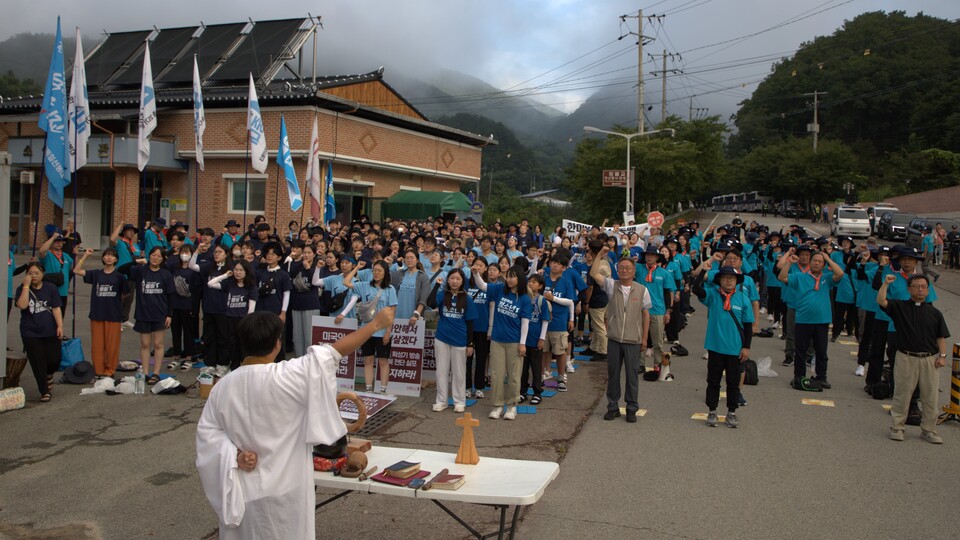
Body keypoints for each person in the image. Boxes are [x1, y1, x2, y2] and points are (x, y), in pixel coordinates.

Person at [196, 307, 396, 539]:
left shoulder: (222, 387)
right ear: (277, 344)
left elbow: (208, 436)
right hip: (287, 491)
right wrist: (375, 325)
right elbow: (334, 352)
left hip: (243, 492)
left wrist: (233, 456)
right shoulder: (289, 374)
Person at [877, 274, 949, 444]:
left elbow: (941, 337)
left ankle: (929, 430)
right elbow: (881, 301)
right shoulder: (900, 307)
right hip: (906, 357)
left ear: (928, 289)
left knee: (930, 396)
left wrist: (943, 356)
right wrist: (885, 284)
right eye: (916, 286)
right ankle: (897, 427)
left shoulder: (935, 313)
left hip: (929, 360)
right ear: (909, 289)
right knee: (902, 393)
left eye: (923, 286)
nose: (920, 289)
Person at [591, 248, 651, 423]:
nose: (625, 270)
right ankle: (613, 407)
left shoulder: (642, 290)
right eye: (622, 267)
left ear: (634, 271)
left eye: (628, 268)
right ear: (617, 269)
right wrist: (599, 254)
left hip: (633, 339)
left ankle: (632, 407)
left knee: (632, 376)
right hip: (615, 338)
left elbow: (646, 314)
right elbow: (594, 273)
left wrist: (645, 338)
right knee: (613, 374)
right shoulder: (611, 285)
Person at [692, 261, 754, 428]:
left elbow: (748, 325)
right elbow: (696, 290)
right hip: (715, 346)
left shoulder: (743, 298)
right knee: (713, 380)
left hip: (735, 349)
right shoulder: (713, 295)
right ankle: (712, 410)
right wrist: (703, 271)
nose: (728, 281)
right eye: (725, 278)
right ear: (719, 280)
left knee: (733, 382)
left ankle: (731, 412)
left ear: (736, 281)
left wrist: (746, 347)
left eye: (732, 278)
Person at [779, 248, 844, 390]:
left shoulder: (826, 278)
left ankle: (821, 376)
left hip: (822, 320)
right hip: (803, 319)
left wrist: (828, 259)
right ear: (810, 262)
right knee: (800, 350)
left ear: (823, 265)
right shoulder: (800, 276)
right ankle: (799, 376)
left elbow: (840, 273)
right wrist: (789, 264)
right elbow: (782, 277)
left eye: (820, 262)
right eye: (814, 260)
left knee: (821, 351)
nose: (817, 263)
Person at [473, 265, 532, 420]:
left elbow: (525, 323)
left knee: (513, 376)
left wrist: (522, 343)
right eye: (508, 276)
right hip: (497, 341)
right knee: (497, 375)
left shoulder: (525, 298)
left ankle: (512, 406)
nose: (510, 279)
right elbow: (482, 285)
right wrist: (475, 273)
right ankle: (497, 405)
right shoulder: (499, 289)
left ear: (520, 279)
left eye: (513, 276)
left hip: (514, 342)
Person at [341, 261, 398, 394]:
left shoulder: (390, 289)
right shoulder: (365, 285)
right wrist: (356, 268)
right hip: (367, 330)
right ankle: (368, 388)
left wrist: (388, 332)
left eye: (379, 271)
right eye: (374, 270)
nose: (376, 273)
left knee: (383, 360)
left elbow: (392, 312)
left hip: (383, 330)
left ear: (385, 273)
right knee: (368, 359)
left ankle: (383, 389)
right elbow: (346, 282)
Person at [121, 247, 175, 385]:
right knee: (145, 344)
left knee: (158, 344)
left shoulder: (166, 274)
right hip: (143, 313)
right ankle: (145, 372)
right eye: (153, 255)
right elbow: (121, 269)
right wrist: (136, 261)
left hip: (160, 314)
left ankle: (156, 373)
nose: (155, 258)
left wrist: (169, 314)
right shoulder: (141, 271)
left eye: (158, 256)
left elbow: (170, 296)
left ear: (163, 259)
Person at [16, 262, 63, 402]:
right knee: (38, 362)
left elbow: (56, 308)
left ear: (43, 274)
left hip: (49, 330)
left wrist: (60, 326)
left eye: (37, 273)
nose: (34, 276)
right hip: (30, 332)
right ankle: (44, 391)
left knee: (54, 360)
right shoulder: (22, 288)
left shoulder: (51, 288)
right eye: (30, 273)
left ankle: (49, 374)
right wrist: (25, 286)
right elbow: (22, 305)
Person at [432, 269, 478, 413]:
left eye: (458, 279)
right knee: (441, 371)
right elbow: (430, 302)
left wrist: (470, 343)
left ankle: (459, 401)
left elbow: (470, 323)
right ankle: (441, 400)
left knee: (459, 372)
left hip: (460, 339)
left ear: (462, 281)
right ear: (448, 280)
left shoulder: (466, 298)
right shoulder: (442, 294)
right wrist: (436, 285)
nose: (454, 281)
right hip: (442, 338)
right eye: (452, 278)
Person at [74, 248, 124, 379]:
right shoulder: (96, 274)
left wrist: (121, 315)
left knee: (112, 346)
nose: (109, 257)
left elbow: (125, 295)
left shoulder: (119, 276)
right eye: (106, 255)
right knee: (97, 346)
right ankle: (99, 370)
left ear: (116, 259)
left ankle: (110, 370)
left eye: (112, 256)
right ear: (102, 258)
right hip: (97, 314)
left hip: (113, 315)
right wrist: (85, 256)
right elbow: (76, 270)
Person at [208, 259, 259, 370]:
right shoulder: (230, 284)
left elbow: (251, 308)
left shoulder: (251, 287)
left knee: (243, 346)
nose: (237, 272)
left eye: (241, 270)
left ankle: (245, 367)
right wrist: (225, 275)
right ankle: (234, 366)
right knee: (232, 344)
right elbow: (210, 283)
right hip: (230, 319)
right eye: (236, 269)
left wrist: (247, 323)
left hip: (243, 320)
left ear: (246, 272)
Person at [519, 274, 550, 406]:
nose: (531, 284)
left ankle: (537, 392)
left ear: (541, 286)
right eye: (529, 281)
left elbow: (545, 321)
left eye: (534, 282)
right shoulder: (523, 298)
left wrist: (542, 339)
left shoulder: (542, 301)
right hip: (523, 340)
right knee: (523, 367)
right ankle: (522, 391)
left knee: (536, 367)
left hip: (535, 339)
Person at [110, 223, 141, 328]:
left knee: (129, 298)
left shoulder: (135, 245)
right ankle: (116, 320)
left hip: (132, 274)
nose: (132, 233)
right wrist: (120, 225)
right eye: (129, 230)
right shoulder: (120, 243)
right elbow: (112, 239)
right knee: (120, 298)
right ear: (124, 232)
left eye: (133, 231)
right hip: (121, 274)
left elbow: (137, 258)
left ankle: (125, 319)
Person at [38, 230, 73, 312]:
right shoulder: (48, 255)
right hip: (50, 291)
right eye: (56, 241)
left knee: (60, 317)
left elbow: (74, 268)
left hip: (63, 292)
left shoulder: (66, 256)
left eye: (61, 241)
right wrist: (53, 237)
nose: (59, 243)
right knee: (49, 317)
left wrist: (76, 254)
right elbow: (41, 251)